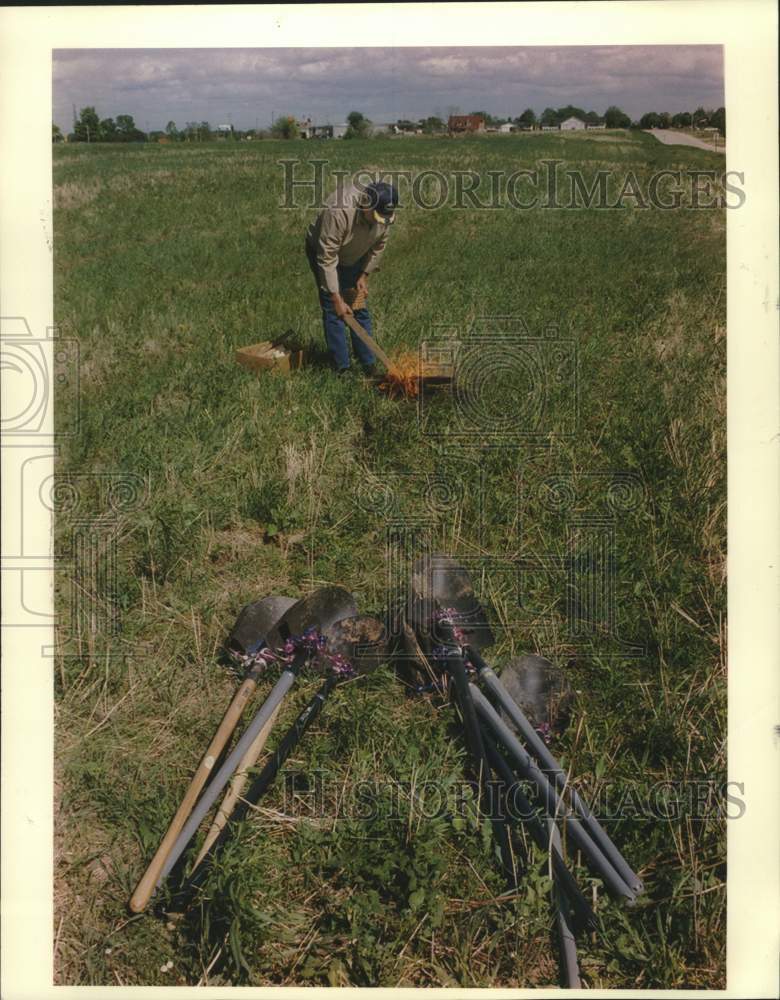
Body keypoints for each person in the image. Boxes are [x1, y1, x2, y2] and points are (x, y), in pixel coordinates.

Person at [305, 179, 398, 374]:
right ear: (365, 204)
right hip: (327, 254)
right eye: (376, 217)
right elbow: (327, 257)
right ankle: (342, 368)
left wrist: (364, 274)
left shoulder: (383, 214)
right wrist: (336, 297)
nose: (379, 222)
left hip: (356, 254)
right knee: (334, 310)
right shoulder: (338, 212)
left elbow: (379, 245)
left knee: (358, 307)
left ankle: (368, 363)